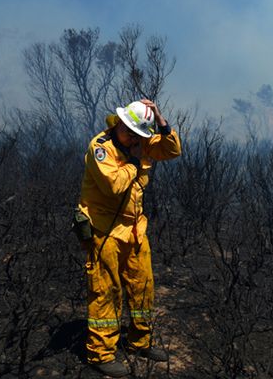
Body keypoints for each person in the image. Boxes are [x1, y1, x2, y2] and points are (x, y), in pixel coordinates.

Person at [77, 99, 181, 377]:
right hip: (104, 230)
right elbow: (114, 186)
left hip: (135, 230)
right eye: (130, 132)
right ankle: (100, 354)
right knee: (106, 291)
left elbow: (171, 149)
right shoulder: (101, 148)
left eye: (138, 135)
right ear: (120, 123)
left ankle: (140, 343)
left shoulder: (141, 141)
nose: (133, 139)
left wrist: (160, 118)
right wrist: (135, 162)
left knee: (142, 287)